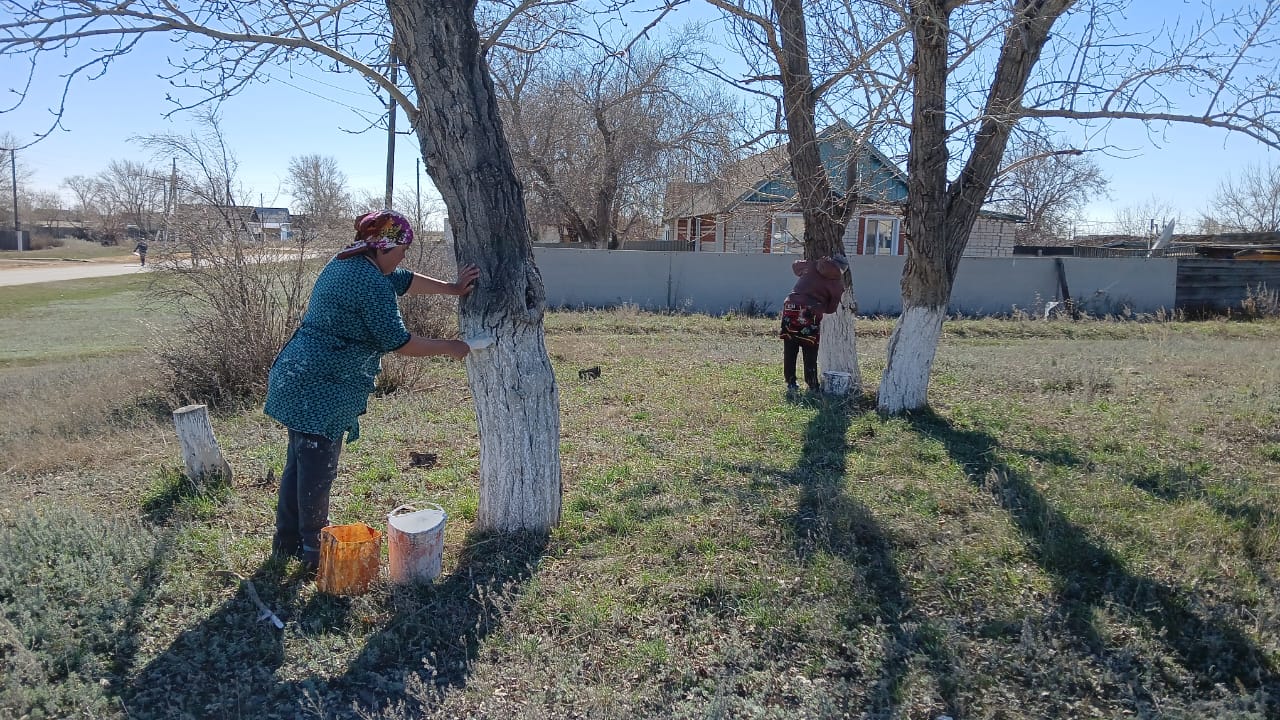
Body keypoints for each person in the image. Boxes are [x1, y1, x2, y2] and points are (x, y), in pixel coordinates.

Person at [264, 209, 480, 574]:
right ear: (382, 246)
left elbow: (404, 280)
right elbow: (399, 341)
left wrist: (453, 289)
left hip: (297, 376)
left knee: (298, 466)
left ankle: (287, 544)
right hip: (320, 387)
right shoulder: (369, 283)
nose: (404, 256)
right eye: (401, 249)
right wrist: (451, 347)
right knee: (317, 471)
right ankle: (316, 555)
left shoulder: (351, 262)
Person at [779, 253, 848, 395]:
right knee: (809, 349)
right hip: (810, 314)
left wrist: (809, 264)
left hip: (790, 308)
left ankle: (791, 382)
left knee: (790, 346)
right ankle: (812, 385)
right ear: (843, 269)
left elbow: (795, 266)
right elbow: (831, 309)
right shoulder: (837, 284)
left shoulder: (813, 265)